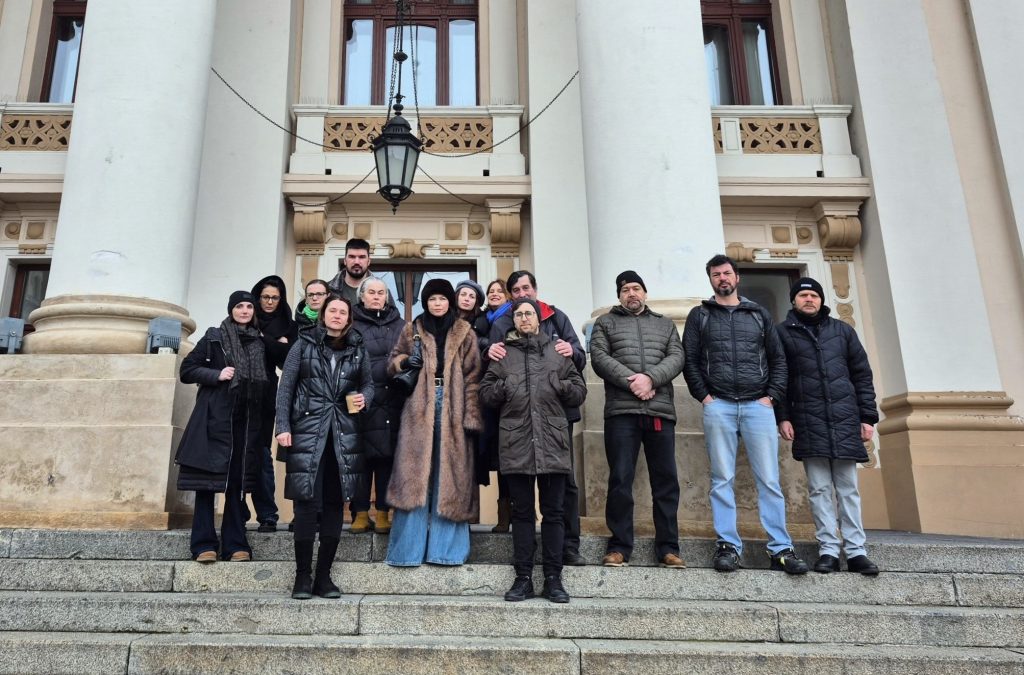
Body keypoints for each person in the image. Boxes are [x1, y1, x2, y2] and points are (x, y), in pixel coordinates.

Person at [682, 254, 808, 575]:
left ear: (737, 277)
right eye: (715, 274)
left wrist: (771, 398)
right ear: (710, 279)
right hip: (719, 406)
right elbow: (690, 360)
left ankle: (780, 548)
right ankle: (728, 546)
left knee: (769, 480)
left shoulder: (758, 314)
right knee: (721, 479)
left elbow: (778, 360)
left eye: (726, 273)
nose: (722, 278)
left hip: (757, 406)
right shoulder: (700, 316)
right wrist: (705, 397)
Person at [481, 297, 587, 603]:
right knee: (522, 513)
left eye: (529, 313)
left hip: (552, 442)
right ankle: (523, 578)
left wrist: (560, 384)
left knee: (554, 514)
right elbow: (486, 392)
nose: (524, 318)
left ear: (538, 319)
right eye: (519, 314)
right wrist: (505, 388)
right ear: (513, 320)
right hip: (516, 443)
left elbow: (579, 390)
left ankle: (554, 578)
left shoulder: (557, 352)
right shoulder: (502, 355)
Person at [775, 277, 880, 575]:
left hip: (846, 420)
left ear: (821, 300)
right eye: (803, 295)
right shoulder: (782, 334)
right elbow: (779, 377)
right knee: (819, 489)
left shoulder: (843, 332)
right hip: (807, 421)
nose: (809, 299)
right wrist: (783, 416)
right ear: (794, 300)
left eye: (813, 295)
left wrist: (867, 417)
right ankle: (828, 550)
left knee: (848, 489)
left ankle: (857, 551)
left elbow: (862, 375)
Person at [275, 295, 373, 599]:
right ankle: (302, 577)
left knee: (334, 505)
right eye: (333, 310)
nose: (337, 315)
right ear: (323, 315)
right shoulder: (303, 344)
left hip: (343, 436)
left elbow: (368, 384)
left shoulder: (358, 349)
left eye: (343, 312)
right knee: (306, 504)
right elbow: (286, 387)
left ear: (348, 319)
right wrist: (282, 427)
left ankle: (324, 578)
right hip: (307, 432)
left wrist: (365, 398)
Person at [590, 271, 685, 569]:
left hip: (659, 412)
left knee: (666, 481)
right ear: (619, 296)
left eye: (636, 288)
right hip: (622, 412)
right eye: (625, 290)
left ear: (645, 292)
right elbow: (599, 357)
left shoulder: (665, 324)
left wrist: (651, 379)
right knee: (620, 479)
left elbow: (677, 357)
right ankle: (619, 546)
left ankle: (668, 548)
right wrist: (633, 382)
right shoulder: (605, 323)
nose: (631, 293)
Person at [385, 279, 483, 567]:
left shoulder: (465, 332)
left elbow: (474, 377)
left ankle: (447, 552)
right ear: (425, 302)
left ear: (449, 302)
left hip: (454, 406)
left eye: (441, 299)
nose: (437, 304)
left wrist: (471, 416)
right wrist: (404, 362)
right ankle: (406, 553)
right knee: (415, 478)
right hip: (418, 406)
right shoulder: (412, 329)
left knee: (449, 478)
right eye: (431, 299)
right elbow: (392, 362)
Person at [176, 291, 267, 563]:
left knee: (237, 485)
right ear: (231, 310)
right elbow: (187, 370)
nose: (245, 310)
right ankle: (204, 544)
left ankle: (236, 543)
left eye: (249, 306)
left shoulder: (258, 343)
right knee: (206, 484)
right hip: (214, 420)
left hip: (245, 421)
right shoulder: (214, 336)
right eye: (239, 306)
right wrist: (216, 374)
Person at [350, 277, 408, 534]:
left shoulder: (401, 325)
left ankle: (383, 513)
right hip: (360, 400)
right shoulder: (351, 324)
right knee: (360, 460)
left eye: (381, 292)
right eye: (371, 292)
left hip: (393, 400)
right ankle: (360, 513)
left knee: (386, 459)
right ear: (361, 297)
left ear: (387, 297)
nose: (376, 296)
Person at [248, 275, 298, 533]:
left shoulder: (287, 324)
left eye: (275, 298)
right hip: (238, 394)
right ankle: (239, 509)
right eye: (265, 297)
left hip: (266, 393)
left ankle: (267, 514)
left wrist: (261, 339)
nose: (269, 302)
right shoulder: (246, 316)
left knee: (261, 454)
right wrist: (271, 343)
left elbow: (287, 358)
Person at [478, 279, 513, 532]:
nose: (495, 294)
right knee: (496, 456)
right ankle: (503, 514)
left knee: (509, 456)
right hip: (486, 397)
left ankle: (513, 513)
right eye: (491, 292)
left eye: (500, 291)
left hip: (509, 396)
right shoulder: (482, 320)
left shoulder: (512, 318)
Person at [328, 238, 372, 309]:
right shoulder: (327, 290)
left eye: (362, 257)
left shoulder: (381, 292)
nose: (356, 262)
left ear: (369, 261)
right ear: (345, 260)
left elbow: (392, 318)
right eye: (352, 257)